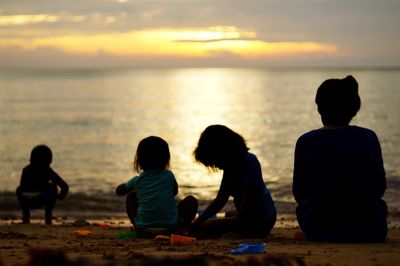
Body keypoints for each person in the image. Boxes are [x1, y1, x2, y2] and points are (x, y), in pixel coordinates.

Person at [293, 75, 388, 242]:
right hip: (371, 228)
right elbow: (380, 186)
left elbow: (299, 192)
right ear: (353, 110)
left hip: (320, 228)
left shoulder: (306, 141)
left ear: (320, 108)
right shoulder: (369, 138)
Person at [187, 125, 276, 238]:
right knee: (229, 214)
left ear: (223, 152)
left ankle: (245, 230)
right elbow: (220, 200)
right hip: (253, 215)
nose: (217, 167)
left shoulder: (249, 163)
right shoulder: (231, 166)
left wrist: (239, 231)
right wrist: (196, 223)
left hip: (259, 220)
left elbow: (248, 202)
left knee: (206, 226)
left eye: (215, 162)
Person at [115, 136, 198, 237]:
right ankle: (184, 228)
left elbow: (119, 191)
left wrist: (130, 188)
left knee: (131, 197)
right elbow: (174, 192)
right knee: (191, 200)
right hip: (172, 230)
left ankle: (137, 226)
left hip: (144, 231)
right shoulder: (169, 176)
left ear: (139, 160)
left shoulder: (138, 180)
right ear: (166, 159)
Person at [16, 145, 69, 225]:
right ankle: (48, 214)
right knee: (53, 187)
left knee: (19, 189)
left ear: (31, 158)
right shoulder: (47, 170)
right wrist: (59, 197)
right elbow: (64, 186)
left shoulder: (26, 170)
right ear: (49, 160)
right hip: (42, 199)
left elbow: (22, 186)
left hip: (26, 201)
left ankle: (26, 214)